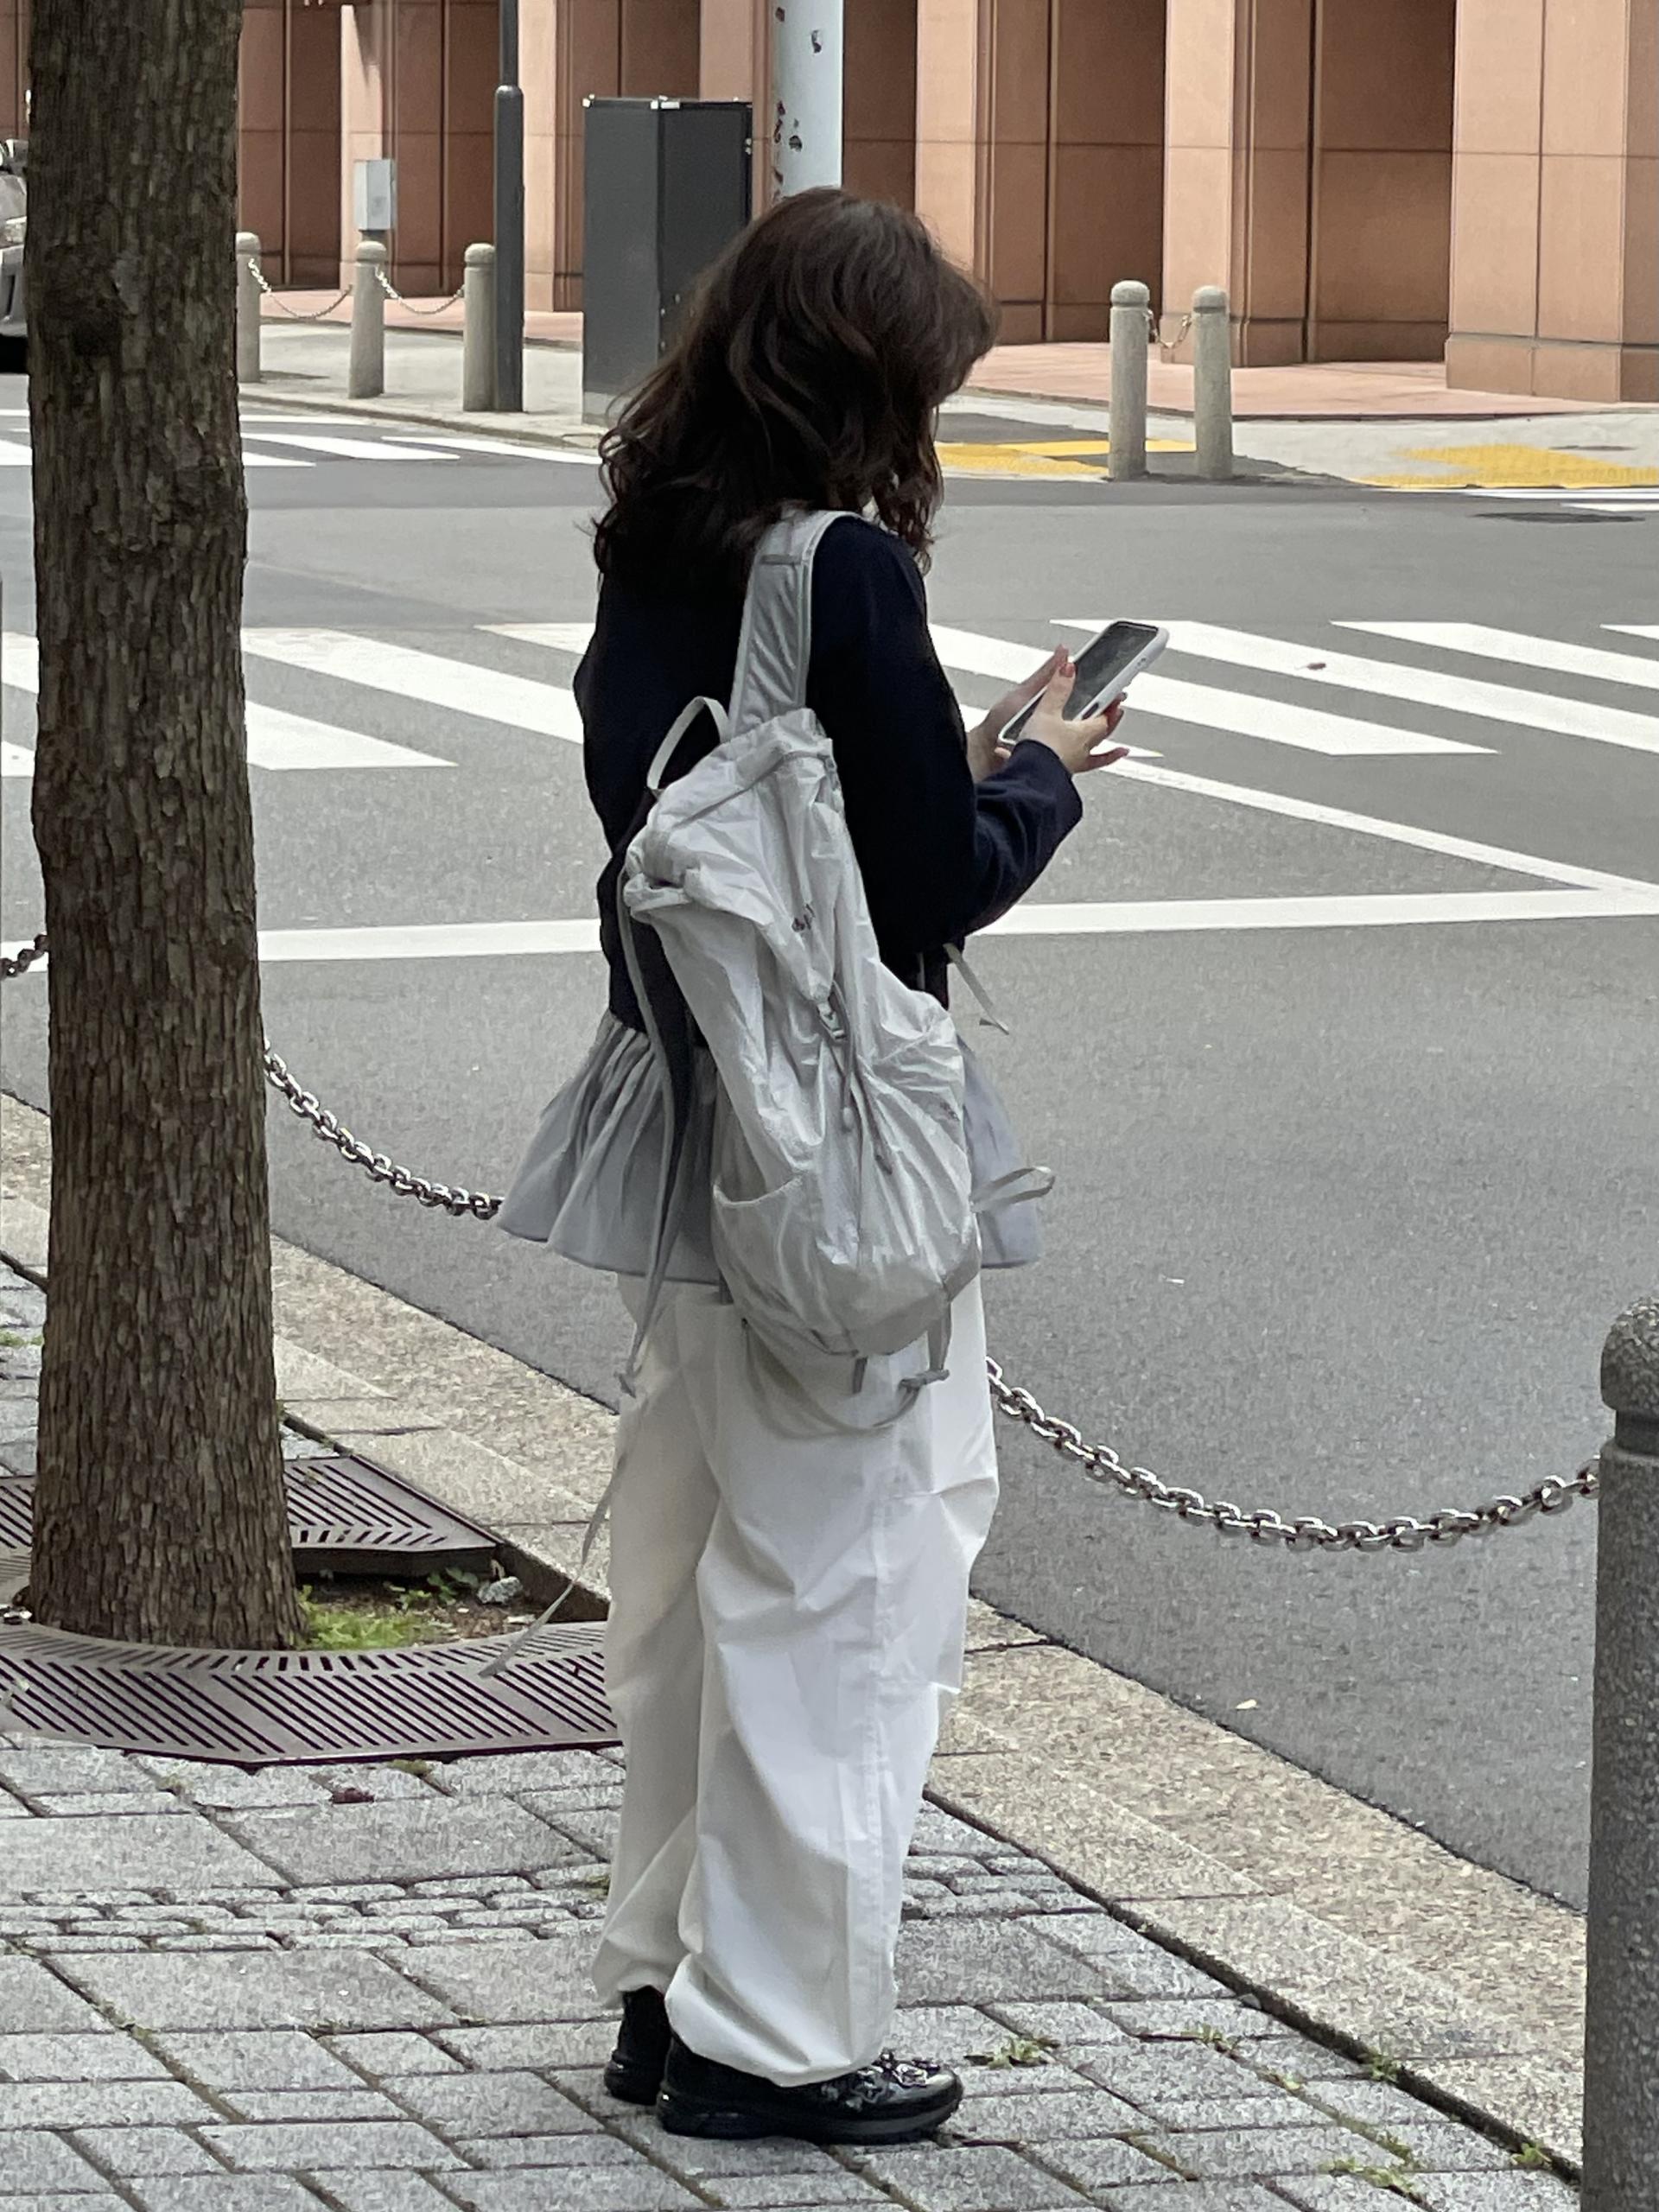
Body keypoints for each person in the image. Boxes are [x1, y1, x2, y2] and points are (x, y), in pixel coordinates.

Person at [499, 188, 1125, 2146]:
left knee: (693, 1572)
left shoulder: (653, 538)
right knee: (848, 1578)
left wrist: (947, 761)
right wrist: (1043, 774)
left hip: (683, 1117)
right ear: (867, 381)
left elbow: (730, 823)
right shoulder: (840, 566)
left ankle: (668, 1985)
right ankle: (771, 2036)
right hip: (830, 1160)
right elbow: (925, 888)